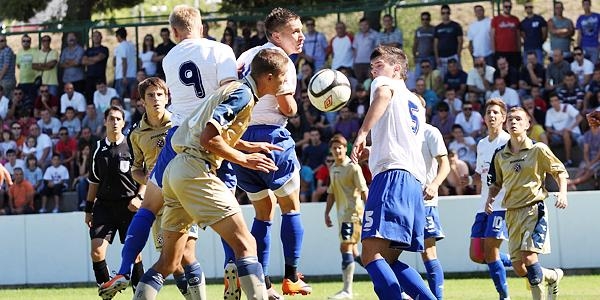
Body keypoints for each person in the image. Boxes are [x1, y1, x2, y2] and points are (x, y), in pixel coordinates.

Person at [98, 5, 239, 299]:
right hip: (212, 140)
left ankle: (124, 268)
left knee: (149, 209)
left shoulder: (171, 58)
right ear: (202, 27)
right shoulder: (221, 50)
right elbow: (231, 93)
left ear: (174, 32)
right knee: (230, 215)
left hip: (178, 139)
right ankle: (233, 266)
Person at [133, 47, 288, 300]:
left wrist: (247, 145)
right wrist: (245, 159)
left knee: (169, 261)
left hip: (176, 170)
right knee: (246, 244)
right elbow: (208, 139)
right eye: (283, 77)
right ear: (269, 77)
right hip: (195, 169)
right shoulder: (243, 95)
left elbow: (202, 130)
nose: (285, 83)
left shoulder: (231, 90)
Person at [234, 7, 312, 297]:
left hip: (240, 141)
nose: (301, 36)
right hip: (271, 139)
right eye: (295, 31)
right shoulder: (282, 62)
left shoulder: (245, 56)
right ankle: (292, 276)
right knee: (291, 207)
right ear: (277, 36)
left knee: (263, 213)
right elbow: (287, 108)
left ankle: (262, 282)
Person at [350, 45, 435, 300]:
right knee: (389, 259)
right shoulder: (414, 102)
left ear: (396, 69)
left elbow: (383, 95)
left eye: (380, 65)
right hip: (412, 183)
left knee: (370, 255)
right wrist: (373, 151)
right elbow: (403, 140)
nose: (374, 70)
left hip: (391, 178)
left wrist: (363, 133)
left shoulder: (384, 85)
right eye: (372, 67)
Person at [486, 106, 567, 300]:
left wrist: (562, 193)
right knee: (520, 267)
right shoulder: (500, 154)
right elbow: (496, 182)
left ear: (527, 124)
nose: (513, 122)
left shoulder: (538, 149)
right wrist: (490, 199)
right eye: (510, 119)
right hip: (511, 213)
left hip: (534, 210)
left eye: (518, 119)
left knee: (530, 258)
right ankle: (553, 276)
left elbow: (560, 171)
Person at [84, 106, 143, 297]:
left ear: (124, 123)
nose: (115, 122)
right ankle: (107, 291)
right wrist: (88, 209)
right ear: (105, 122)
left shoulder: (132, 146)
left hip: (129, 206)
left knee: (135, 254)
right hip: (104, 207)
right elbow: (93, 181)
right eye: (111, 118)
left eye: (118, 119)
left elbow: (145, 175)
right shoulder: (97, 149)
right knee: (96, 252)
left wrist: (139, 197)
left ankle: (140, 293)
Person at [468, 98, 512, 299]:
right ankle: (519, 260)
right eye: (489, 113)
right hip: (482, 206)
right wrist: (469, 178)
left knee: (491, 252)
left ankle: (504, 296)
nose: (492, 115)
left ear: (503, 118)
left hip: (501, 205)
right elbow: (480, 174)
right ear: (484, 118)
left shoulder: (508, 142)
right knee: (477, 255)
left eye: (496, 113)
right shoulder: (482, 144)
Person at [324, 134, 368, 300]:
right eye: (334, 148)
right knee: (356, 254)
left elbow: (364, 192)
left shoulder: (353, 168)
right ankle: (384, 274)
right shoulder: (333, 168)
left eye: (340, 147)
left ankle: (347, 291)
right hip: (342, 216)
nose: (337, 150)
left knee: (345, 248)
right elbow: (331, 193)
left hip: (354, 214)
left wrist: (370, 212)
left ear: (345, 149)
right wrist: (326, 212)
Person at [417, 119, 451, 300]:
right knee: (388, 254)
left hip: (425, 202)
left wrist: (434, 184)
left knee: (428, 253)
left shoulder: (430, 132)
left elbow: (445, 163)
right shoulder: (401, 131)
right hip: (403, 201)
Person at [568, 111, 600, 189]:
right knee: (582, 168)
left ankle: (572, 182)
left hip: (598, 160)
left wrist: (590, 164)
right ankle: (573, 185)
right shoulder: (587, 134)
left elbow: (599, 154)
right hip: (589, 158)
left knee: (590, 170)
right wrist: (587, 162)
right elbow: (586, 151)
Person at [434, 5, 463, 77]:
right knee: (442, 77)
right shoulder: (437, 27)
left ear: (450, 13)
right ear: (441, 14)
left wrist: (458, 55)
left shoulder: (456, 26)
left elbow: (460, 41)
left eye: (447, 12)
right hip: (441, 57)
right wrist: (437, 57)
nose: (445, 15)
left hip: (453, 56)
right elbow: (435, 44)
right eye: (443, 13)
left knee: (457, 75)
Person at [491, 0, 521, 69]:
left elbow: (518, 36)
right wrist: (493, 50)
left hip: (513, 51)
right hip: (500, 51)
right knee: (502, 72)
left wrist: (519, 50)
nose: (508, 8)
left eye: (509, 7)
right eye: (506, 6)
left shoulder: (515, 19)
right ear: (503, 7)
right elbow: (492, 35)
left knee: (514, 71)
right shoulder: (496, 19)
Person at [82, 31, 109, 102]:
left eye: (98, 36)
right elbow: (83, 61)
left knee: (102, 97)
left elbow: (99, 58)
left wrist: (89, 59)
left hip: (100, 77)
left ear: (101, 37)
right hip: (89, 77)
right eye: (94, 36)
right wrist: (94, 60)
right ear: (92, 38)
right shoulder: (88, 50)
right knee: (90, 98)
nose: (96, 37)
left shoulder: (104, 49)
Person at [352, 18, 379, 83]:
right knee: (360, 84)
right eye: (362, 25)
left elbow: (378, 48)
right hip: (358, 63)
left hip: (370, 63)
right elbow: (355, 49)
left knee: (370, 82)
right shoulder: (357, 35)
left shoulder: (375, 34)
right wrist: (354, 62)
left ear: (369, 25)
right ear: (360, 26)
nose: (364, 26)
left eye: (365, 24)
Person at [113, 27, 137, 99]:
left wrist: (124, 76)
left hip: (122, 76)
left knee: (120, 99)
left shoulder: (121, 46)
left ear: (119, 36)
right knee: (131, 98)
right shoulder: (131, 45)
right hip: (132, 75)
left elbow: (124, 61)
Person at [576, 0, 600, 65]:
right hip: (584, 46)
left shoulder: (597, 16)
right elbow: (579, 34)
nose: (586, 6)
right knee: (585, 66)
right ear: (582, 6)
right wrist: (578, 47)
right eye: (585, 5)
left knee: (593, 66)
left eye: (588, 4)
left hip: (595, 46)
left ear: (590, 5)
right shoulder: (580, 18)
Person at [16, 34, 38, 102]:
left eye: (28, 41)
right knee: (22, 101)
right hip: (22, 81)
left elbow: (37, 64)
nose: (26, 42)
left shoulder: (35, 51)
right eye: (24, 41)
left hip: (32, 81)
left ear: (30, 42)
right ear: (21, 42)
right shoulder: (19, 52)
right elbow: (18, 65)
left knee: (32, 101)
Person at [413, 12, 436, 79]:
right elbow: (415, 43)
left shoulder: (434, 29)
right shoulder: (418, 30)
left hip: (431, 57)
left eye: (427, 19)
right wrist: (414, 56)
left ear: (430, 19)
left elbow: (436, 43)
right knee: (417, 76)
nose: (425, 21)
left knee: (431, 77)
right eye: (423, 19)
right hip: (420, 57)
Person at [0, 34, 16, 98]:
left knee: (4, 101)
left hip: (6, 81)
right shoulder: (3, 51)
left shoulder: (7, 50)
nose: (0, 42)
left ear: (5, 41)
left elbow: (6, 67)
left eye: (2, 41)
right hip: (4, 80)